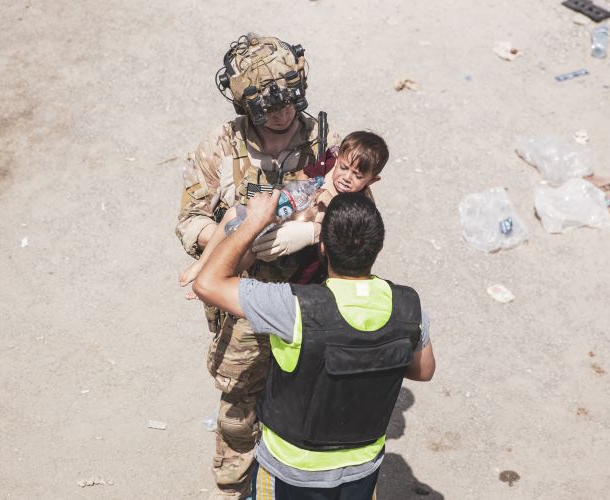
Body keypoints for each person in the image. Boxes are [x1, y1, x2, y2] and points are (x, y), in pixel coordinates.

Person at [175, 33, 338, 499]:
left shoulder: (325, 140)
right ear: (246, 103)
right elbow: (189, 221)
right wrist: (235, 236)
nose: (284, 114)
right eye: (270, 106)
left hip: (309, 298)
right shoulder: (220, 148)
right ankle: (233, 487)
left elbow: (358, 220)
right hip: (241, 300)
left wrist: (311, 232)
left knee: (306, 399)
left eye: (290, 101)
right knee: (238, 408)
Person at [193, 192, 436, 499]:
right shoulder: (408, 308)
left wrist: (253, 222)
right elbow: (424, 370)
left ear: (322, 248)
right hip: (362, 466)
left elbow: (206, 284)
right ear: (378, 247)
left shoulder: (293, 306)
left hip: (292, 469)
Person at [179, 131, 388, 292]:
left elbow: (346, 237)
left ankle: (216, 281)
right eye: (344, 167)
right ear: (338, 156)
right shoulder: (329, 163)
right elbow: (304, 175)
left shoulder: (356, 204)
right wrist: (300, 191)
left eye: (358, 176)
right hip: (287, 212)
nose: (346, 177)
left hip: (303, 264)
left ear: (372, 180)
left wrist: (322, 215)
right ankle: (202, 265)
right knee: (233, 215)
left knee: (253, 246)